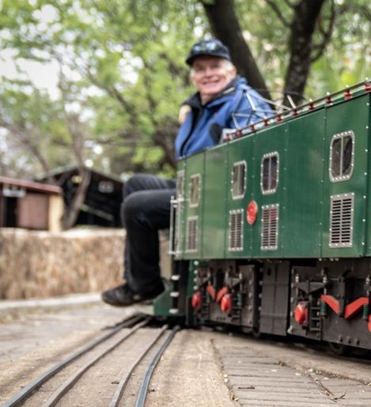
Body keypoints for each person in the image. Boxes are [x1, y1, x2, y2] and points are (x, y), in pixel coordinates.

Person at [101, 38, 271, 307]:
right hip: (192, 185)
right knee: (134, 184)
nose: (208, 73)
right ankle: (136, 281)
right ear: (193, 77)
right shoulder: (196, 109)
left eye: (215, 65)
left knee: (137, 207)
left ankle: (146, 287)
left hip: (219, 193)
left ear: (232, 71)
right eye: (201, 68)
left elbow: (256, 148)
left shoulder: (245, 102)